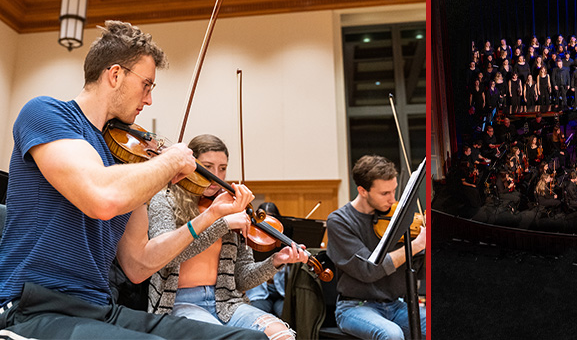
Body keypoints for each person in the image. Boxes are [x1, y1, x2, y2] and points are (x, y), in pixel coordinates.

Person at [0, 21, 263, 339]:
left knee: (249, 337)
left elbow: (138, 264)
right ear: (115, 75)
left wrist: (210, 215)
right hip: (34, 307)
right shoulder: (45, 113)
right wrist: (168, 161)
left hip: (100, 309)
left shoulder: (128, 158)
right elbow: (100, 197)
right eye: (146, 85)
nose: (149, 99)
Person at [147, 134, 305, 340]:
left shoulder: (232, 206)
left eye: (222, 168)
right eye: (208, 166)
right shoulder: (165, 199)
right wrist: (221, 225)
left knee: (283, 335)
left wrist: (275, 262)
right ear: (190, 165)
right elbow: (164, 257)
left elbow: (241, 279)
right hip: (178, 302)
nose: (216, 175)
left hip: (227, 302)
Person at [327, 155, 426, 340]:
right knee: (391, 334)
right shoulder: (340, 222)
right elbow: (368, 270)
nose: (392, 200)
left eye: (394, 191)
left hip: (396, 304)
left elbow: (419, 271)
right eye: (384, 194)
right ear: (363, 191)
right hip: (355, 307)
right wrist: (415, 245)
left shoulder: (397, 217)